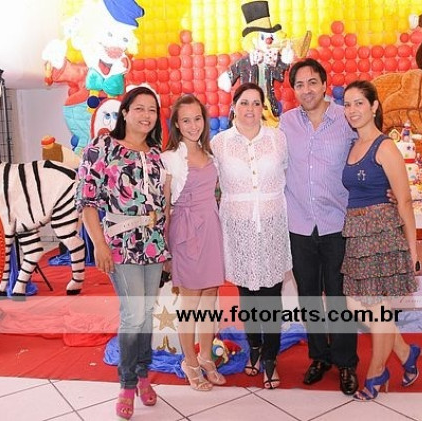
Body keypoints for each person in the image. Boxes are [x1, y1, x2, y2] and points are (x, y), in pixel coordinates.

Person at [76, 86, 170, 420]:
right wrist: (99, 244)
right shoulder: (102, 148)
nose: (146, 116)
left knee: (146, 312)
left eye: (152, 110)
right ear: (125, 112)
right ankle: (127, 384)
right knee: (133, 315)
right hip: (120, 242)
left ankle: (143, 374)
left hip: (153, 244)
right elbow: (87, 201)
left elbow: (162, 204)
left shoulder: (156, 154)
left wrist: (166, 247)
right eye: (139, 108)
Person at [279, 58, 359, 395]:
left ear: (325, 85)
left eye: (312, 82)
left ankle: (345, 362)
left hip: (337, 223)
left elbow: (368, 153)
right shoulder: (286, 123)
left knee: (339, 296)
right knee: (309, 296)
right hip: (299, 224)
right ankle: (319, 356)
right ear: (293, 90)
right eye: (299, 84)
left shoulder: (345, 118)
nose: (307, 89)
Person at [341, 80, 422, 400]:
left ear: (374, 106)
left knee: (376, 309)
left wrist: (412, 250)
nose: (352, 110)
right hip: (357, 235)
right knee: (358, 305)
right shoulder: (353, 145)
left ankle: (377, 373)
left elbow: (404, 201)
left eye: (359, 103)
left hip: (382, 236)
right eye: (347, 104)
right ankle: (405, 353)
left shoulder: (385, 146)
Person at [211, 82, 292, 389]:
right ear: (234, 106)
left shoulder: (277, 139)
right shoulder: (219, 143)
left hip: (272, 226)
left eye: (256, 103)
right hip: (238, 228)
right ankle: (254, 346)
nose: (250, 109)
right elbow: (208, 183)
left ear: (263, 107)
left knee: (271, 294)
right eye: (244, 102)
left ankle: (270, 357)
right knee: (247, 293)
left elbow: (288, 175)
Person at [161, 94, 226, 391]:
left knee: (210, 296)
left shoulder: (211, 153)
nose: (192, 125)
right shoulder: (170, 158)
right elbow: (165, 206)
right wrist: (166, 249)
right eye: (185, 120)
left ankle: (206, 356)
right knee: (190, 301)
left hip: (211, 227)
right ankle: (190, 361)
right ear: (176, 124)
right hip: (185, 232)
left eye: (197, 118)